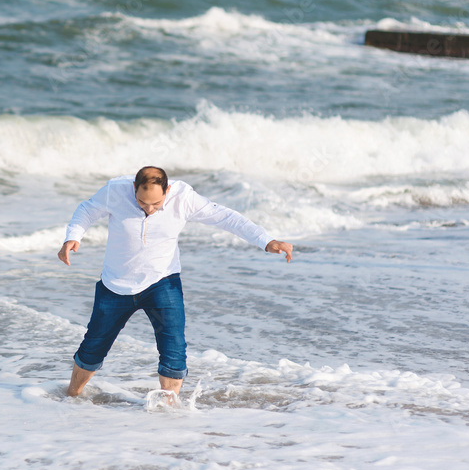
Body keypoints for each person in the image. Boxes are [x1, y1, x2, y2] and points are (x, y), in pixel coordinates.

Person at [57, 165, 293, 400]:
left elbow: (225, 217)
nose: (149, 209)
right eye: (142, 202)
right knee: (93, 347)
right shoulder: (115, 191)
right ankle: (71, 398)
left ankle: (168, 414)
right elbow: (87, 210)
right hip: (116, 285)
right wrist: (72, 237)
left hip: (162, 282)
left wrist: (265, 240)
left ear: (167, 190)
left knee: (174, 351)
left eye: (156, 204)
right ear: (133, 188)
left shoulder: (183, 197)